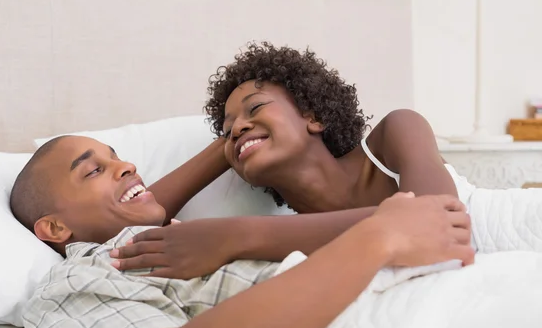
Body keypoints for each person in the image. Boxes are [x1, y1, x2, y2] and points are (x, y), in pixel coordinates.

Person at [12, 134, 472, 328]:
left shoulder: (173, 237)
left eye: (119, 155)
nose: (128, 165)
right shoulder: (71, 284)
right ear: (53, 229)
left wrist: (227, 143)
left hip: (442, 293)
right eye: (93, 170)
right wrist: (375, 240)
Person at [110, 41, 538, 273]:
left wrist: (232, 236)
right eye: (225, 128)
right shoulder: (296, 238)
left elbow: (440, 228)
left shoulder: (395, 136)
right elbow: (127, 220)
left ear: (313, 115)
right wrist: (230, 144)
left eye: (256, 108)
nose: (236, 127)